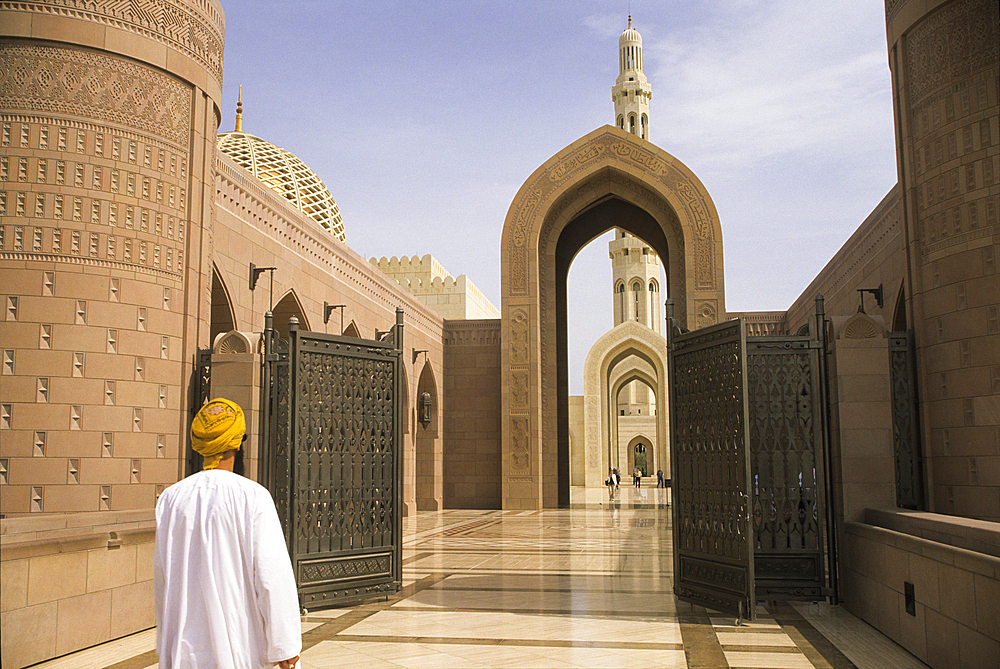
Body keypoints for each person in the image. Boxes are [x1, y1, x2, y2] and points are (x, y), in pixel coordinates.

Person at [155, 398, 302, 669]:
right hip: (238, 649)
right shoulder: (252, 497)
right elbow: (271, 577)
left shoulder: (170, 499)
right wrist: (285, 645)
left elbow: (164, 578)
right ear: (237, 443)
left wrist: (166, 644)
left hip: (183, 652)